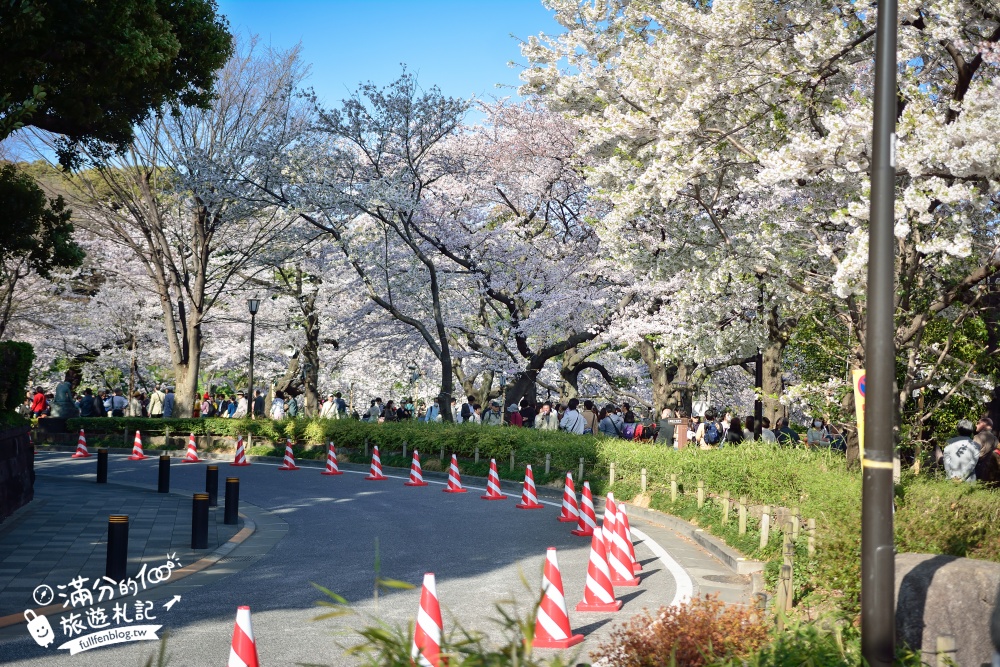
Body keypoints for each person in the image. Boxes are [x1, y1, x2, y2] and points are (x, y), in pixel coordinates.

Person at [943, 419, 979, 483]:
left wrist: (951, 476)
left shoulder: (949, 442)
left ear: (958, 430)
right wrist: (961, 478)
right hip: (968, 480)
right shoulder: (976, 445)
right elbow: (972, 464)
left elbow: (946, 462)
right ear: (971, 431)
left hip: (950, 480)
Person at [974, 417, 999, 485]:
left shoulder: (978, 437)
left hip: (977, 468)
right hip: (989, 469)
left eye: (978, 423)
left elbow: (973, 454)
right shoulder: (994, 438)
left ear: (983, 425)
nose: (976, 425)